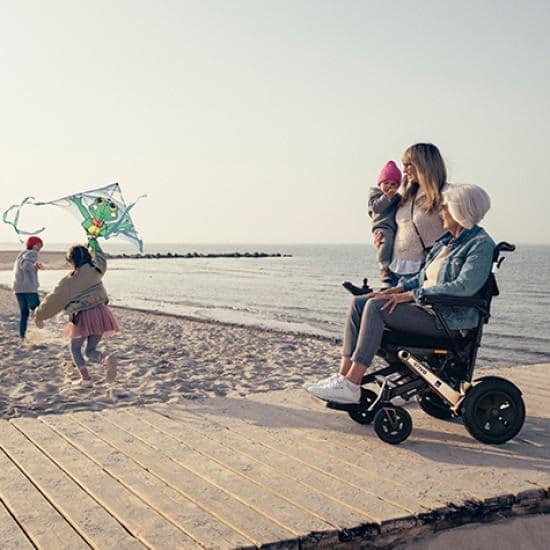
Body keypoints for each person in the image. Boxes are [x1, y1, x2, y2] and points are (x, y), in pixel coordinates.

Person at [307, 183, 494, 404]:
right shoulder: (446, 242)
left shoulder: (480, 244)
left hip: (448, 322)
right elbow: (422, 277)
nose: (440, 210)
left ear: (459, 210)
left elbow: (463, 287)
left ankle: (353, 383)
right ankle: (344, 377)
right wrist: (396, 289)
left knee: (377, 308)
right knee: (362, 301)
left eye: (444, 206)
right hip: (428, 311)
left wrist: (412, 295)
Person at [34, 238, 118, 386]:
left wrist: (39, 314)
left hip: (83, 316)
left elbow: (54, 300)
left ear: (71, 262)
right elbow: (100, 257)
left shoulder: (69, 281)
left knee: (75, 349)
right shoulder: (97, 269)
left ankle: (86, 379)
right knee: (91, 350)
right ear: (87, 257)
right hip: (101, 313)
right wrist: (94, 244)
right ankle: (105, 359)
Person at [368, 160, 402, 286]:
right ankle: (384, 267)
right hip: (382, 226)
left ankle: (391, 271)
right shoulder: (375, 195)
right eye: (386, 183)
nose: (389, 186)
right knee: (385, 242)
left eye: (393, 184)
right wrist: (387, 197)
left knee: (393, 246)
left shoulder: (397, 197)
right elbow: (376, 207)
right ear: (380, 183)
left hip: (393, 226)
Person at [13, 236, 44, 339]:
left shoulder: (21, 254)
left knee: (24, 313)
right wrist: (35, 266)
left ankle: (22, 335)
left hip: (18, 288)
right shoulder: (32, 253)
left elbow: (23, 264)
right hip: (28, 288)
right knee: (38, 308)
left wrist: (35, 265)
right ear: (34, 245)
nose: (40, 248)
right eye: (39, 245)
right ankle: (37, 320)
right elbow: (26, 265)